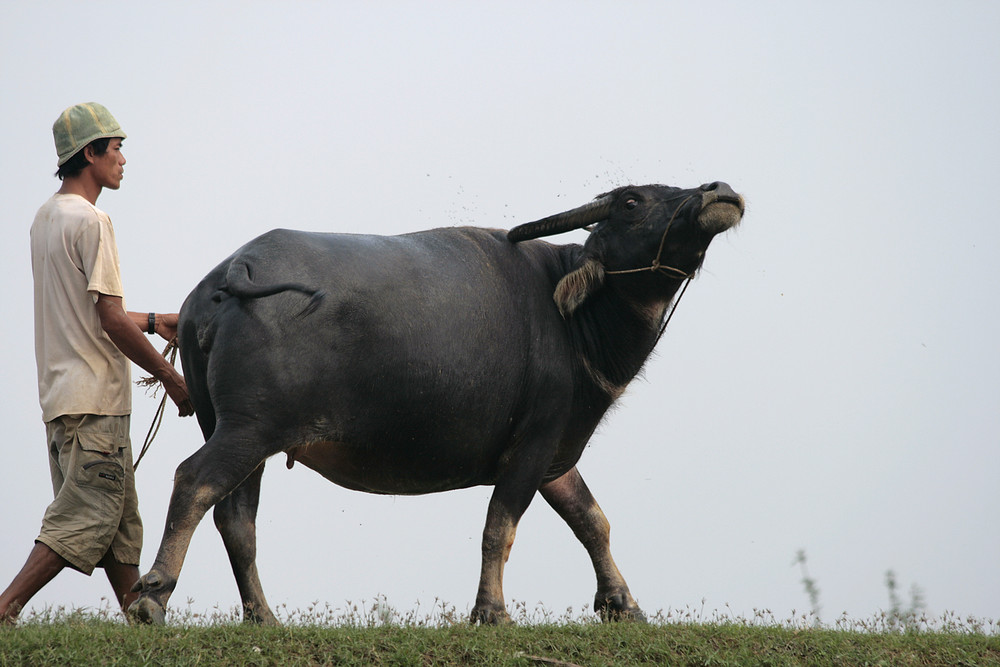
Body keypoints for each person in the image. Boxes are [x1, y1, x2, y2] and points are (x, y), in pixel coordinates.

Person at [0, 102, 194, 624]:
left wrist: (154, 320)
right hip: (95, 403)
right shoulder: (93, 220)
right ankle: (4, 610)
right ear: (90, 153)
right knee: (85, 517)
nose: (123, 159)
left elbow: (89, 310)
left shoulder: (47, 218)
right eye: (115, 148)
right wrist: (171, 377)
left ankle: (144, 633)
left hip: (62, 402)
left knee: (118, 531)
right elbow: (108, 319)